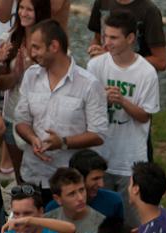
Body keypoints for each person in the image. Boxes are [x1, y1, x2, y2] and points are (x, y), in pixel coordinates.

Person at [13, 19, 107, 198]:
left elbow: (98, 134)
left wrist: (63, 142)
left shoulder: (89, 84)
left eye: (36, 47)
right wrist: (32, 138)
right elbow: (21, 121)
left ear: (54, 46)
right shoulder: (31, 76)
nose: (32, 53)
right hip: (33, 175)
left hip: (69, 183)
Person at [86, 11, 159, 224]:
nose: (107, 43)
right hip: (101, 155)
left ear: (130, 38)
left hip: (131, 159)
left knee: (133, 223)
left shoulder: (146, 72)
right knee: (100, 223)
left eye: (113, 37)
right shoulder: (95, 66)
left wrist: (122, 101)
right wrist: (103, 101)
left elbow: (145, 116)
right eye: (105, 36)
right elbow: (86, 109)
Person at [0, 0, 51, 181]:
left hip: (40, 120)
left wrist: (32, 70)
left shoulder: (52, 42)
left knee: (41, 176)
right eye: (21, 8)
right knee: (21, 177)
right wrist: (16, 75)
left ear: (39, 12)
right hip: (12, 116)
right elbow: (0, 84)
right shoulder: (10, 38)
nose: (23, 13)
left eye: (29, 9)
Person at [86, 0, 166, 72]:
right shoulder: (102, 2)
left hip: (136, 77)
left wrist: (111, 57)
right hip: (105, 73)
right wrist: (94, 50)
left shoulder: (150, 11)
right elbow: (97, 39)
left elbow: (161, 62)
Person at [44, 149, 124, 220]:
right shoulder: (53, 209)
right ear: (79, 177)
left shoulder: (114, 201)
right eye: (95, 179)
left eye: (102, 178)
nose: (101, 184)